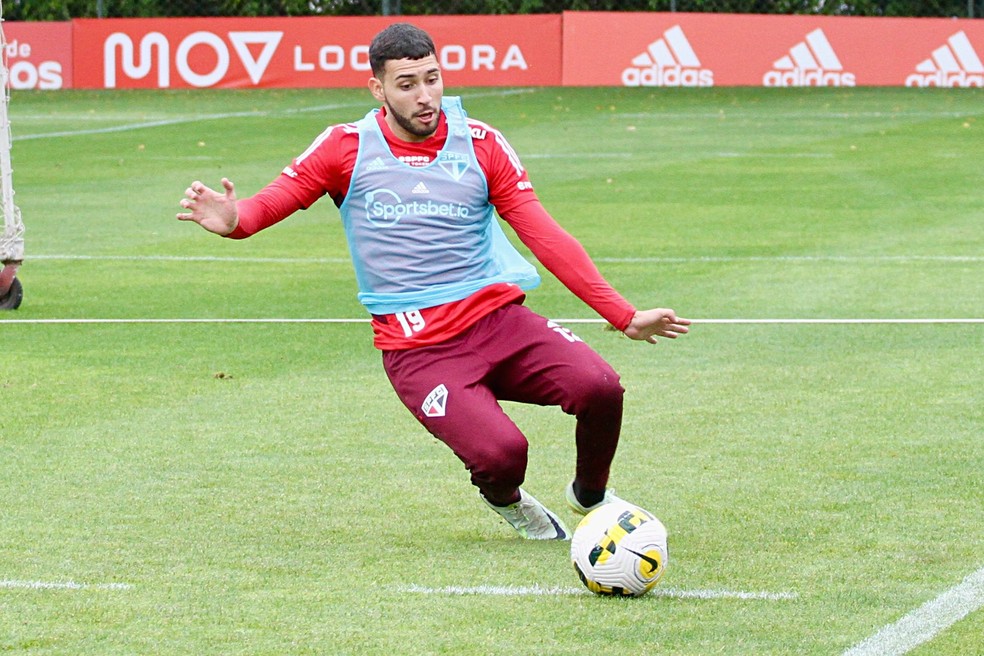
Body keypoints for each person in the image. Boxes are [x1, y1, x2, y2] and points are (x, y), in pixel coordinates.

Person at [177, 22, 690, 541]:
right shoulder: (343, 148)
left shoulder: (482, 144)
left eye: (432, 79)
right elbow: (265, 206)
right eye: (407, 85)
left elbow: (544, 234)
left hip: (497, 320)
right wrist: (233, 220)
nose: (425, 97)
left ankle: (591, 495)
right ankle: (507, 499)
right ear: (378, 89)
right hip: (417, 347)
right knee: (504, 454)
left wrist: (622, 316)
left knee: (601, 388)